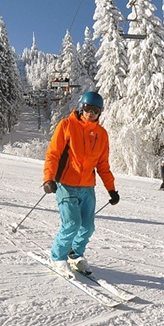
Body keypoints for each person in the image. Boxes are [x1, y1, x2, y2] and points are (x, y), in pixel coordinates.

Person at [43, 91, 118, 278]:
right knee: (72, 223)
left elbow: (103, 165)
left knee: (87, 226)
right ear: (81, 107)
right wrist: (48, 179)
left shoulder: (102, 134)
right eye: (87, 108)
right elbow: (53, 154)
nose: (90, 113)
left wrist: (111, 189)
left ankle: (75, 254)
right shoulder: (67, 125)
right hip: (65, 184)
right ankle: (57, 257)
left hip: (87, 187)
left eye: (95, 110)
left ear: (100, 112)